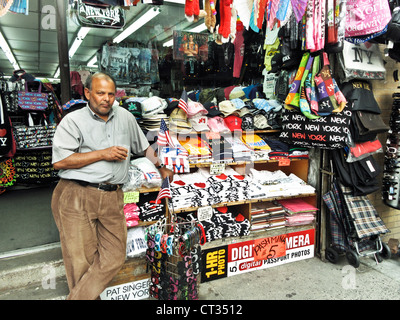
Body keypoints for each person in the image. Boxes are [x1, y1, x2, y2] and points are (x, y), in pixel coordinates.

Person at [51, 72, 173, 300]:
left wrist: (161, 165)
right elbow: (60, 161)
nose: (106, 99)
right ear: (87, 93)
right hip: (77, 194)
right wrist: (102, 154)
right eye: (100, 93)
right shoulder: (73, 121)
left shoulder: (125, 117)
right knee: (81, 261)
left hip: (112, 196)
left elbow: (143, 147)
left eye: (110, 94)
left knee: (115, 255)